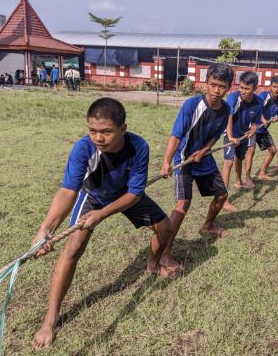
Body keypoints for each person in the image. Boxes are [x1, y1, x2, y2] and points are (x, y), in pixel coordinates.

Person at [31, 98, 174, 349]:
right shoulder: (83, 148)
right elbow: (67, 191)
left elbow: (135, 194)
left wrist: (103, 213)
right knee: (73, 249)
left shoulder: (139, 146)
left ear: (123, 129)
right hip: (93, 196)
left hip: (126, 196)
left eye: (106, 131)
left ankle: (152, 264)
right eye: (93, 130)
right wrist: (46, 229)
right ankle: (50, 319)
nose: (98, 137)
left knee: (165, 228)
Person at [159, 63, 233, 270]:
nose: (217, 90)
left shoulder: (226, 109)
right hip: (185, 160)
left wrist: (204, 150)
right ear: (206, 83)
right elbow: (176, 135)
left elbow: (216, 135)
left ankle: (208, 226)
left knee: (221, 195)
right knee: (183, 204)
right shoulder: (192, 105)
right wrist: (166, 162)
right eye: (213, 84)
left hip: (204, 158)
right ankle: (165, 253)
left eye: (222, 86)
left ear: (229, 87)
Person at [221, 71, 263, 211]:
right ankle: (223, 199)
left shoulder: (259, 102)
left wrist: (253, 129)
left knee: (240, 158)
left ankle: (238, 182)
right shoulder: (233, 98)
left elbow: (256, 120)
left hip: (243, 135)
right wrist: (231, 136)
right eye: (241, 87)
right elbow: (228, 116)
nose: (243, 91)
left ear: (255, 88)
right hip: (230, 133)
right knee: (228, 162)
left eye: (247, 89)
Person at [246, 75, 278, 181]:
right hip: (253, 128)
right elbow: (256, 109)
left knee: (273, 150)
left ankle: (262, 173)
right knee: (251, 151)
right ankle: (248, 177)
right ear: (270, 86)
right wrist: (262, 118)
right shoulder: (263, 96)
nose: (276, 89)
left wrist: (277, 119)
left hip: (263, 130)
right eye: (274, 86)